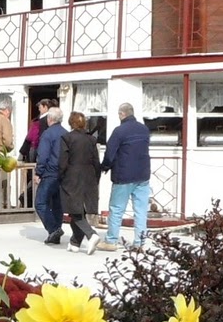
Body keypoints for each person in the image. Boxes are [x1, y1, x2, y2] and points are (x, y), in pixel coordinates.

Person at [100, 101, 151, 250]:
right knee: (140, 211)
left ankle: (111, 241)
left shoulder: (119, 131)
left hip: (123, 176)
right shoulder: (144, 129)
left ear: (122, 114)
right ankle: (139, 243)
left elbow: (110, 153)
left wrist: (104, 167)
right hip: (143, 175)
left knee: (116, 209)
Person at [59, 110, 102, 253]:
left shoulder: (67, 138)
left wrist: (60, 176)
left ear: (71, 123)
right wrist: (96, 178)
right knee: (80, 210)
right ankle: (75, 242)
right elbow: (96, 161)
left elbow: (63, 162)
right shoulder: (91, 139)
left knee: (75, 211)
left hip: (72, 176)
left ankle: (91, 235)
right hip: (89, 176)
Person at [34, 107, 65, 244]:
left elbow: (43, 155)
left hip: (49, 173)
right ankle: (56, 233)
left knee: (40, 203)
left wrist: (38, 172)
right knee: (57, 204)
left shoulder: (47, 134)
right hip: (63, 174)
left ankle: (53, 229)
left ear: (49, 119)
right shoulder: (66, 133)